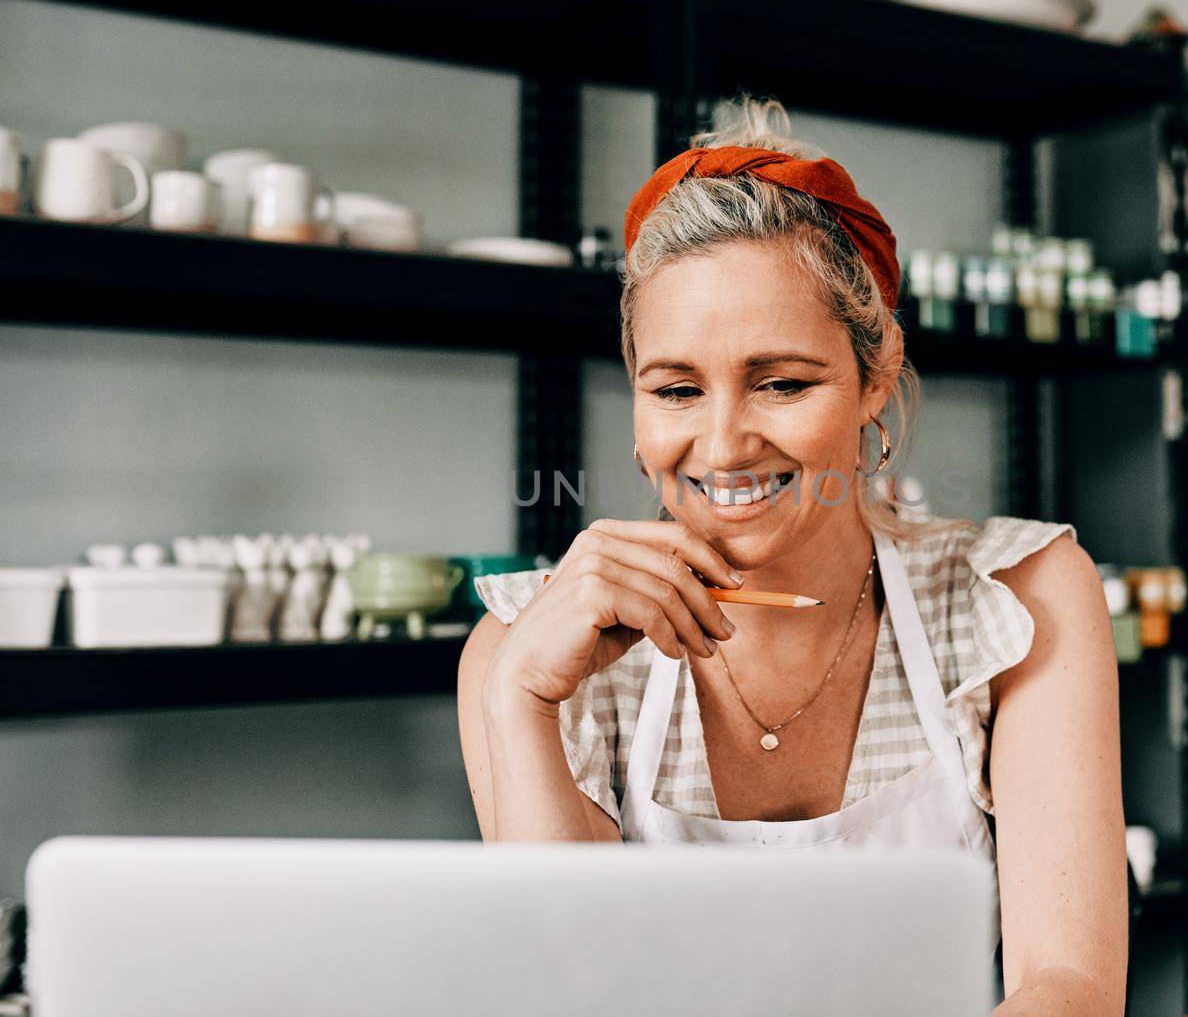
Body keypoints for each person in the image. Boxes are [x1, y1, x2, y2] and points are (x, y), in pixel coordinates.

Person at [458, 98, 1126, 1015]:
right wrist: (522, 705)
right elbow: (572, 994)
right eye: (678, 389)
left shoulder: (1015, 598)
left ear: (875, 375)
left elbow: (1070, 984)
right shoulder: (521, 654)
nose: (725, 446)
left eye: (781, 382)